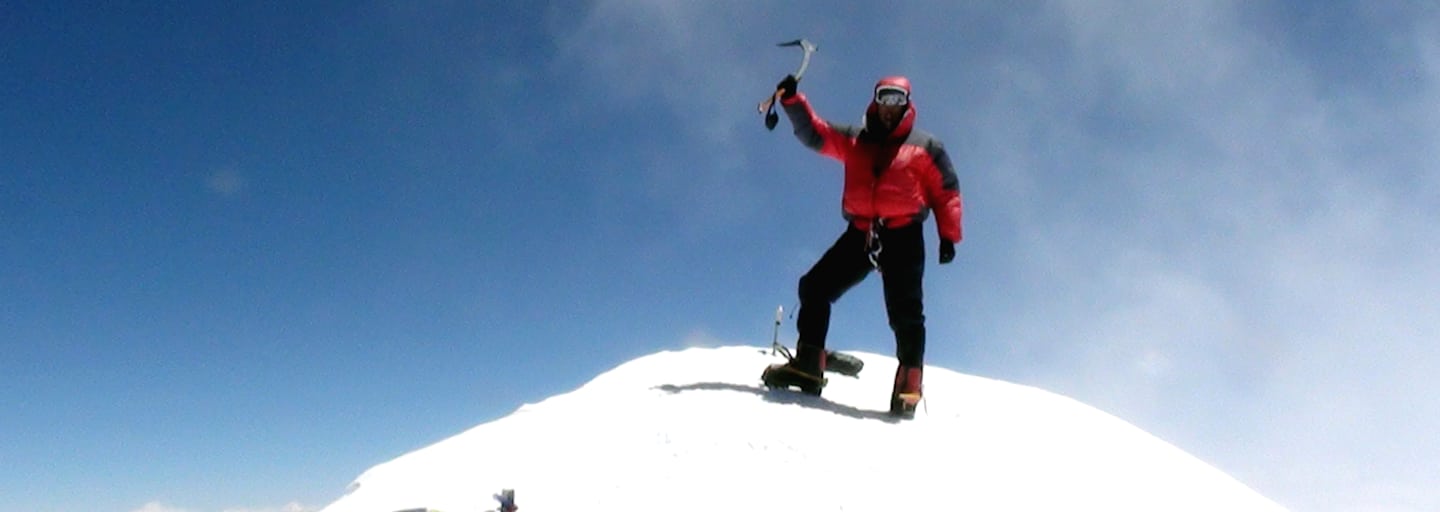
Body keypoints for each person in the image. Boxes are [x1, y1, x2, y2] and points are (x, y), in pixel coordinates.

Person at [760, 74, 963, 417]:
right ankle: (809, 366)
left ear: (908, 104)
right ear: (875, 99)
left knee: (906, 313)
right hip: (862, 233)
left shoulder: (926, 147)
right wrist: (793, 101)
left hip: (904, 235)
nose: (890, 106)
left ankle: (908, 388)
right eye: (885, 97)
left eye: (898, 99)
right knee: (814, 287)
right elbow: (815, 133)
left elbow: (947, 191)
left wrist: (948, 235)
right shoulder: (855, 139)